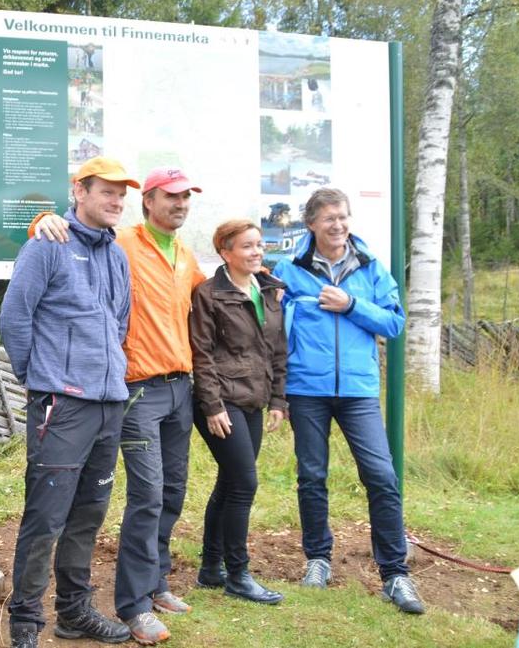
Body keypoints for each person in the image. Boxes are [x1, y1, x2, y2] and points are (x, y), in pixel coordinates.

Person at [31, 165, 205, 645]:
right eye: (171, 196)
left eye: (186, 197)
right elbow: (69, 233)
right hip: (138, 390)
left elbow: (210, 295)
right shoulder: (122, 241)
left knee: (171, 490)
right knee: (146, 495)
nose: (181, 204)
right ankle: (132, 605)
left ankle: (155, 583)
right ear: (148, 200)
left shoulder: (185, 255)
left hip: (180, 387)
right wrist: (42, 218)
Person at [0, 156, 138, 648]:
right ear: (79, 191)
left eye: (123, 193)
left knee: (88, 514)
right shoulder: (48, 245)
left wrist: (107, 378)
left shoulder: (116, 255)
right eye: (107, 191)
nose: (117, 201)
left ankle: (74, 613)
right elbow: (13, 319)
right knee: (46, 515)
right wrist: (40, 381)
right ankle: (24, 624)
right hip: (63, 404)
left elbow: (118, 324)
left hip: (107, 405)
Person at [272, 187, 426, 614]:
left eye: (342, 217)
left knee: (381, 476)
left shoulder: (372, 267)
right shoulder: (290, 268)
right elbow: (272, 325)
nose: (337, 225)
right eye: (328, 219)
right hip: (307, 390)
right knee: (311, 476)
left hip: (358, 390)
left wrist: (351, 304)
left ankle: (395, 574)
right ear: (311, 225)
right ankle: (317, 560)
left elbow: (394, 322)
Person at [189, 220, 287, 605]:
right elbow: (202, 354)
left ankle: (211, 569)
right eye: (247, 246)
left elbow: (277, 349)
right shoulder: (209, 295)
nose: (256, 252)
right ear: (225, 252)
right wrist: (212, 406)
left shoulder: (269, 291)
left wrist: (278, 400)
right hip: (221, 403)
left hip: (254, 400)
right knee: (244, 484)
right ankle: (239, 573)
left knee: (230, 483)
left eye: (259, 245)